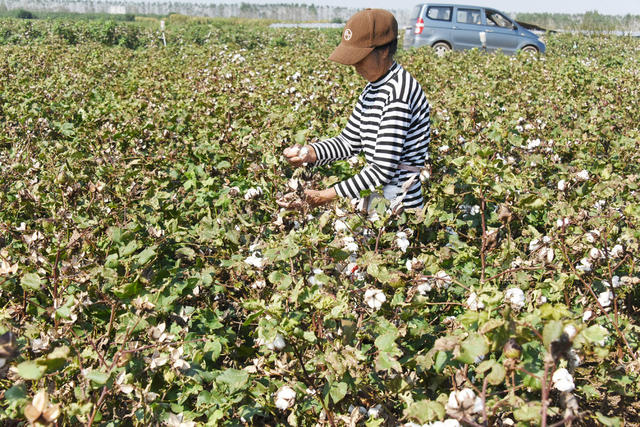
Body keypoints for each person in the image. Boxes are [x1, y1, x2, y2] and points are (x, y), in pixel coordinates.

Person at [284, 8, 431, 211]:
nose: (354, 64)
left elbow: (382, 171)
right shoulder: (374, 87)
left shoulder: (398, 93)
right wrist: (309, 153)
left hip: (399, 208)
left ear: (385, 50)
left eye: (360, 57)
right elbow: (349, 142)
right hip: (377, 202)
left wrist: (323, 196)